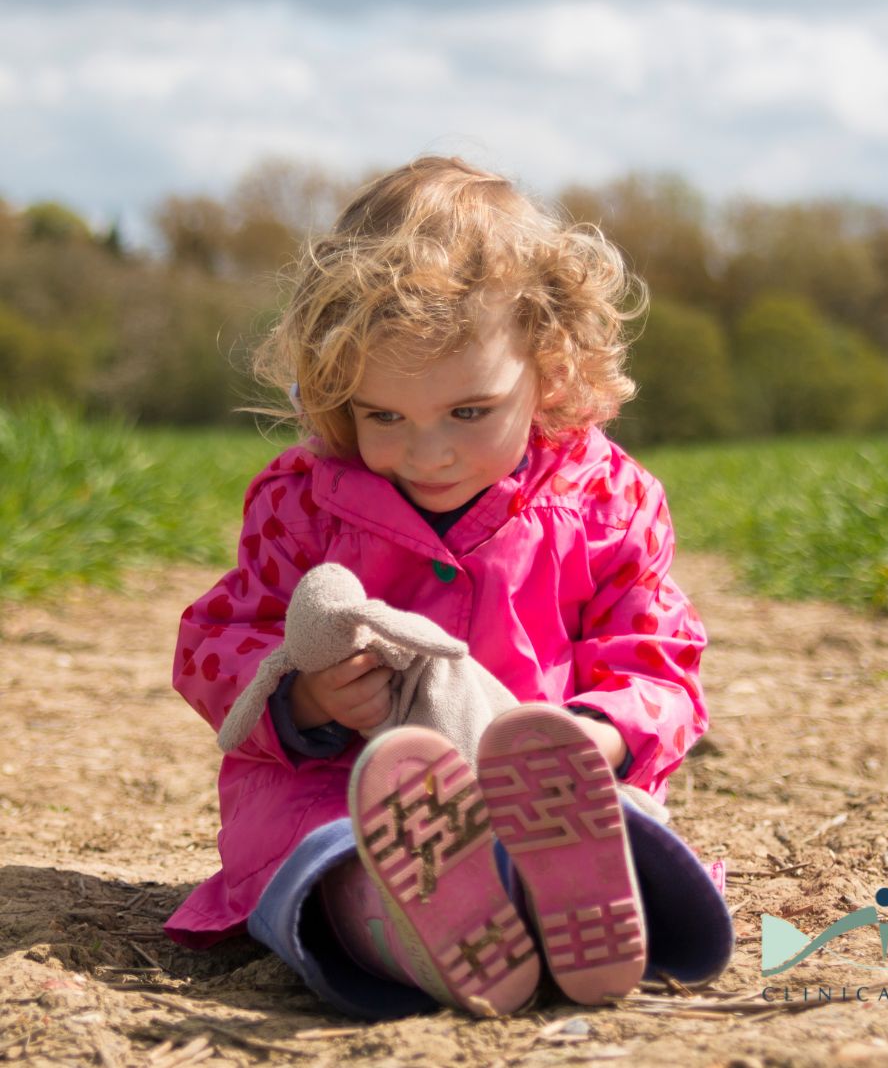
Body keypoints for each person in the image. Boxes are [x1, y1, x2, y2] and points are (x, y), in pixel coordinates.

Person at [165, 155, 732, 1018]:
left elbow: (658, 664)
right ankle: (412, 932)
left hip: (547, 794)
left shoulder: (605, 502)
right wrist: (307, 700)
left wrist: (596, 737)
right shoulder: (303, 500)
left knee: (617, 825)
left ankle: (574, 903)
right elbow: (215, 640)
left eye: (469, 412)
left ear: (553, 366)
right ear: (335, 391)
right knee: (334, 863)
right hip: (349, 793)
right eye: (382, 416)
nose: (427, 453)